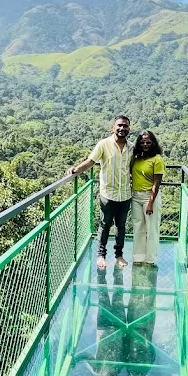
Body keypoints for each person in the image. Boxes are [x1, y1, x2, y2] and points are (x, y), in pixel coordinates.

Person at [69, 116, 133, 271]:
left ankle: (118, 255)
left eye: (125, 126)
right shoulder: (103, 144)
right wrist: (76, 169)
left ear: (129, 129)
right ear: (113, 127)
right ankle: (101, 255)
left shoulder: (131, 147)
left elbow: (133, 168)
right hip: (108, 194)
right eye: (119, 125)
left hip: (125, 194)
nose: (122, 128)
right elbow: (91, 161)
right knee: (105, 225)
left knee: (121, 226)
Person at [131, 130, 164, 266]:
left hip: (150, 197)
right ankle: (138, 258)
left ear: (153, 143)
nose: (145, 144)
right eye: (142, 142)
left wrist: (150, 202)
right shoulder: (136, 158)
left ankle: (150, 259)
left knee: (152, 229)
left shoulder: (157, 159)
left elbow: (157, 183)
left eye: (148, 142)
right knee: (138, 227)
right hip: (135, 196)